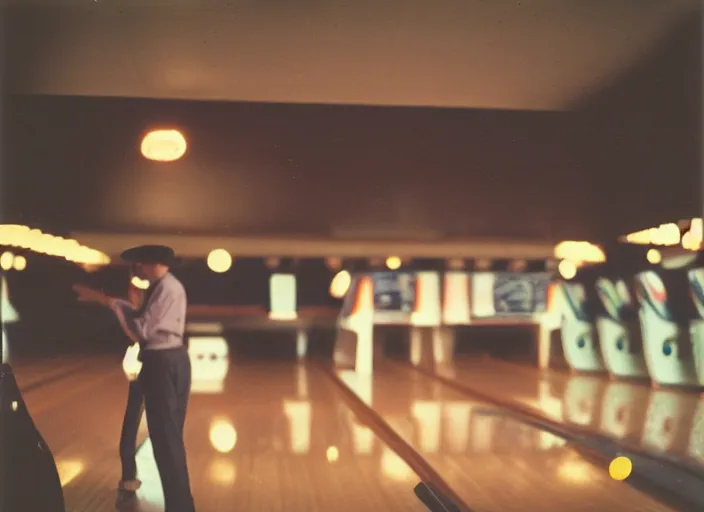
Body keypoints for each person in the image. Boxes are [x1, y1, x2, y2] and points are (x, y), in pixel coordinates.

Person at [74, 245, 195, 512]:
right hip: (168, 360)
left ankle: (180, 507)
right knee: (168, 439)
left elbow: (141, 330)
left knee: (166, 440)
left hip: (162, 363)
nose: (137, 269)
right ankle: (180, 505)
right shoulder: (164, 287)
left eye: (139, 264)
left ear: (151, 263)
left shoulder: (166, 288)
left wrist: (111, 303)